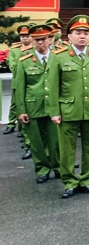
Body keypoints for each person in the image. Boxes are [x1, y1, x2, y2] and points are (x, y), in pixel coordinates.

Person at [48, 15, 89, 199]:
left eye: (85, 33)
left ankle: (87, 180)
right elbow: (53, 87)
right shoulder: (59, 57)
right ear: (69, 36)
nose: (82, 36)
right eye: (78, 33)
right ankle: (69, 182)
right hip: (68, 110)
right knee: (67, 149)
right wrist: (54, 111)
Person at [14, 24, 57, 183]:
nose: (41, 43)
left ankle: (58, 167)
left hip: (54, 106)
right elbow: (20, 87)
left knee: (56, 140)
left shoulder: (57, 57)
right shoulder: (24, 61)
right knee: (37, 141)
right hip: (33, 106)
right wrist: (21, 110)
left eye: (44, 39)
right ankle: (42, 169)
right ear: (32, 41)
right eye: (37, 40)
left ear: (49, 40)